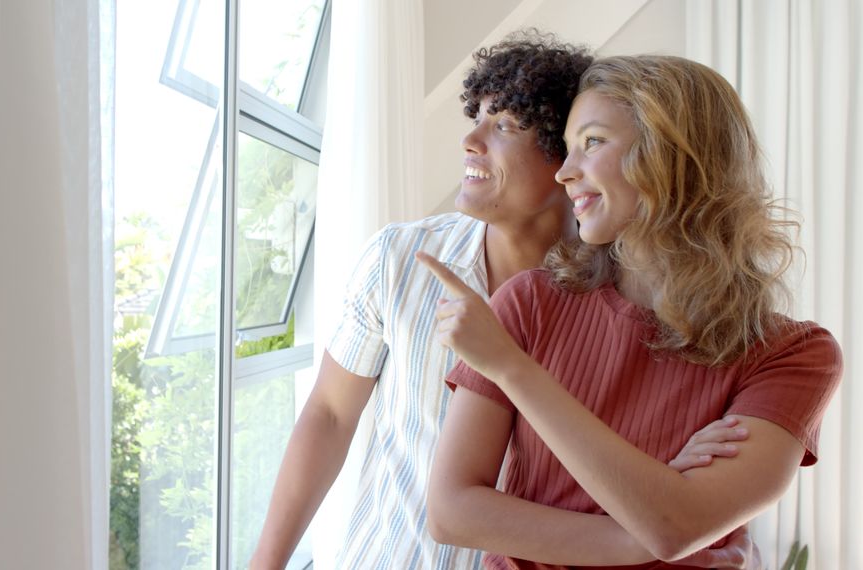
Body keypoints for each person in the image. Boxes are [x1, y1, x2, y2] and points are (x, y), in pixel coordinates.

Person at [251, 33, 756, 570]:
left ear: (566, 155)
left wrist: (678, 528)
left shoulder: (635, 301)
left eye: (505, 125)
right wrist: (266, 563)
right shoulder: (398, 259)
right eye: (478, 118)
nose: (471, 140)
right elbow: (330, 415)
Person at [419, 54, 843, 569]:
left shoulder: (793, 355)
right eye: (569, 148)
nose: (565, 172)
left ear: (673, 157)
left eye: (593, 142)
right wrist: (639, 531)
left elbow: (676, 525)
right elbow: (452, 511)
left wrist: (513, 369)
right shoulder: (531, 302)